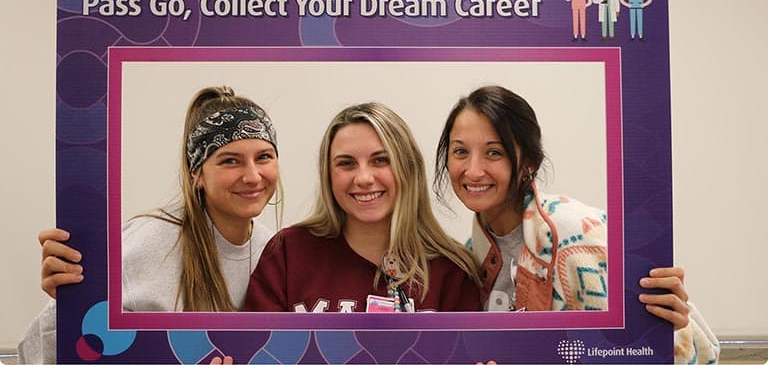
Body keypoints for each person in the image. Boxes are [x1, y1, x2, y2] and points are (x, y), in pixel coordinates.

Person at [433, 85, 720, 363]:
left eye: (494, 152)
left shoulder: (579, 233)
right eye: (460, 152)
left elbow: (692, 351)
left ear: (528, 163)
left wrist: (670, 330)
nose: (473, 171)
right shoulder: (470, 255)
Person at [18, 86, 280, 363]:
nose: (253, 176)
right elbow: (38, 354)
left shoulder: (276, 253)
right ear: (197, 173)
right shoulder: (144, 246)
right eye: (230, 161)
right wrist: (69, 304)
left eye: (264, 156)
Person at [243, 102, 481, 313]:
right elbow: (255, 345)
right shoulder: (288, 253)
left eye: (381, 160)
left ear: (408, 169)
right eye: (346, 163)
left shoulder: (452, 271)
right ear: (328, 175)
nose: (364, 178)